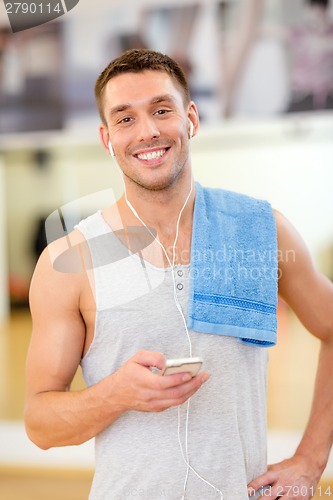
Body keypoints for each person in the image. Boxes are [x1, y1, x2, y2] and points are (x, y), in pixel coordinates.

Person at [25, 48, 333, 500]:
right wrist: (116, 394)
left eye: (161, 110)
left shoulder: (261, 231)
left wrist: (310, 461)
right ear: (106, 137)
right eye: (125, 118)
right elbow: (40, 425)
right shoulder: (69, 262)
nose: (147, 131)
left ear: (191, 118)